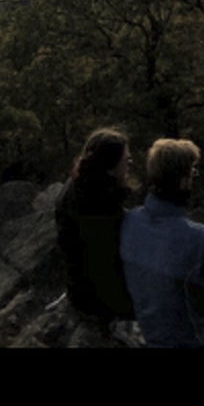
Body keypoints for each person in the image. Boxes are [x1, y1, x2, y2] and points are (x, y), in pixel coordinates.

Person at [119, 138, 204, 348]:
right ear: (183, 181)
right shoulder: (199, 239)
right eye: (192, 173)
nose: (194, 179)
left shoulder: (131, 222)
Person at [55, 128, 137, 330]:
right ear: (110, 164)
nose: (130, 163)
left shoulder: (77, 187)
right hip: (99, 301)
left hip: (78, 289)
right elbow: (106, 265)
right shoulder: (101, 203)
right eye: (125, 159)